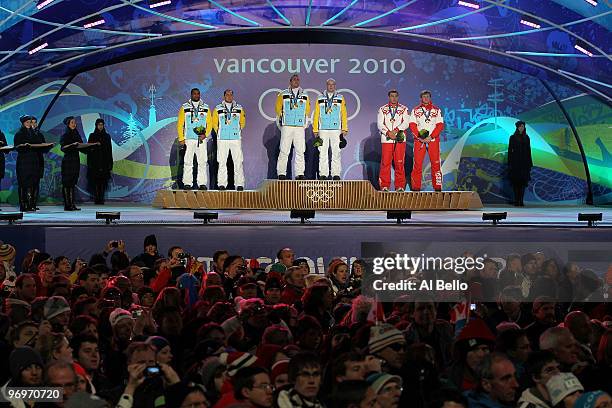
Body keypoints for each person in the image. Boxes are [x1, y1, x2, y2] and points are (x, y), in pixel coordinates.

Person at [275, 74, 311, 180]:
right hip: (287, 126)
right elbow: (278, 108)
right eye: (294, 79)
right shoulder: (283, 94)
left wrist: (304, 122)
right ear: (290, 81)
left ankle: (299, 173)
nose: (296, 81)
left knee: (300, 150)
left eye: (298, 79)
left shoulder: (305, 95)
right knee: (284, 150)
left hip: (299, 126)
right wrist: (283, 121)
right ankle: (281, 173)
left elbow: (307, 109)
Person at [409, 90, 445, 192]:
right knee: (417, 164)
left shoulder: (437, 110)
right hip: (419, 140)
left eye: (428, 96)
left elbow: (440, 125)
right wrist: (419, 136)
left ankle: (437, 187)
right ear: (421, 98)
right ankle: (416, 188)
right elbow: (412, 124)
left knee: (436, 163)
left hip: (433, 140)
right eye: (424, 96)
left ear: (430, 97)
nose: (426, 98)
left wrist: (431, 136)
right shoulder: (415, 110)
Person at [312, 78, 348, 180]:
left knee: (336, 152)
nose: (331, 86)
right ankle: (323, 174)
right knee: (322, 152)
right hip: (323, 129)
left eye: (333, 84)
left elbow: (344, 114)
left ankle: (336, 174)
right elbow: (316, 115)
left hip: (336, 129)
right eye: (329, 84)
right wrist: (315, 129)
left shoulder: (340, 98)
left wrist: (344, 128)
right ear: (326, 85)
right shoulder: (320, 98)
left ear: (335, 86)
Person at [178, 87, 212, 190]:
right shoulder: (184, 107)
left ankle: (202, 184)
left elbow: (209, 123)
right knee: (188, 161)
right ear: (191, 95)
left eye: (198, 94)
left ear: (200, 95)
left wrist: (205, 134)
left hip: (201, 139)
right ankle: (187, 183)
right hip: (189, 138)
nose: (196, 95)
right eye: (194, 94)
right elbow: (180, 124)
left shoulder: (206, 107)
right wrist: (181, 138)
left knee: (202, 161)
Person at [212, 89, 246, 191]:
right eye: (227, 94)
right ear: (224, 96)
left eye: (231, 94)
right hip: (222, 139)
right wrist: (220, 132)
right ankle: (222, 184)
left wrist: (238, 130)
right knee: (222, 162)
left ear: (233, 96)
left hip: (235, 138)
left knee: (238, 161)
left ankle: (239, 184)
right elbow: (214, 123)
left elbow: (242, 122)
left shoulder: (239, 108)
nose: (229, 96)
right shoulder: (218, 108)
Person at [377, 89, 410, 192]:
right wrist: (388, 133)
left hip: (400, 139)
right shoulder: (382, 109)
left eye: (396, 96)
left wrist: (395, 131)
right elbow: (380, 124)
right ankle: (384, 186)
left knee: (399, 163)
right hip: (386, 140)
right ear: (389, 97)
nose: (394, 98)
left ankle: (400, 186)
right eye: (392, 96)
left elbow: (406, 123)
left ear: (398, 97)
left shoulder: (404, 109)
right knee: (385, 163)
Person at [14, 115, 42, 212]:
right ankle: (23, 204)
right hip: (24, 161)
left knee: (32, 182)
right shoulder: (19, 134)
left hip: (33, 161)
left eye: (30, 122)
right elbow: (16, 146)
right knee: (23, 183)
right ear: (23, 123)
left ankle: (30, 204)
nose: (29, 124)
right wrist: (24, 145)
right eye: (27, 122)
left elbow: (39, 143)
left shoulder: (33, 133)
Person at [60, 116, 85, 211]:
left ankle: (72, 204)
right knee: (67, 182)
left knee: (73, 182)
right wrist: (72, 145)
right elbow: (63, 148)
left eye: (75, 122)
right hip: (68, 161)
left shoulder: (77, 134)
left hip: (75, 160)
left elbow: (81, 145)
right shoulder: (65, 135)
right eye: (72, 123)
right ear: (68, 124)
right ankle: (67, 205)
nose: (74, 124)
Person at [87, 118, 113, 205]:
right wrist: (89, 163)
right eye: (99, 125)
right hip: (95, 162)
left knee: (103, 181)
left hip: (104, 162)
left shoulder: (107, 136)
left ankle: (101, 198)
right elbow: (89, 150)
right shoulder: (92, 136)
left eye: (102, 124)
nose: (100, 126)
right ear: (96, 125)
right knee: (95, 181)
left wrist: (110, 163)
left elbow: (109, 150)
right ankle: (97, 198)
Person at [507, 120, 533, 206]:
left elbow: (529, 151)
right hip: (515, 163)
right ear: (517, 127)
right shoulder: (512, 137)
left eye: (523, 126)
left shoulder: (527, 137)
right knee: (516, 182)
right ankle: (516, 200)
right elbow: (510, 151)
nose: (522, 128)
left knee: (523, 182)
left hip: (524, 163)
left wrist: (530, 163)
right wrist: (510, 162)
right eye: (520, 126)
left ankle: (521, 200)